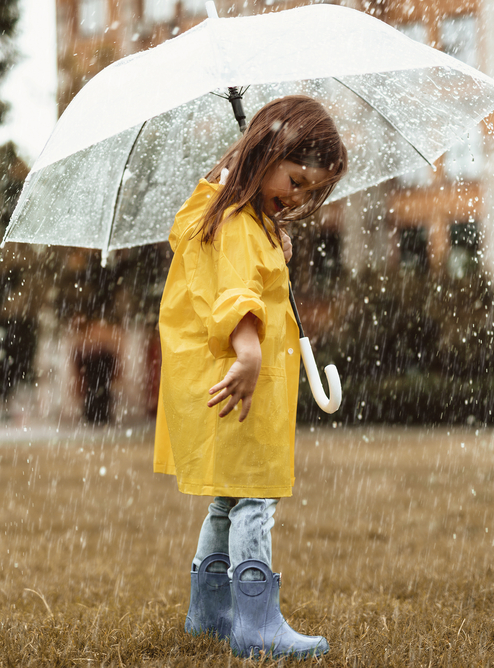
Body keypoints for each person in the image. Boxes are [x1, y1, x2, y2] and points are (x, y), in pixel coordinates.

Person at [153, 95, 348, 659]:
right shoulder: (240, 223)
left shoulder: (233, 214)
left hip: (235, 390)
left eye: (308, 191)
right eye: (295, 178)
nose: (297, 196)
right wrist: (249, 352)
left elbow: (233, 264)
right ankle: (256, 623)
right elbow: (236, 295)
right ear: (270, 150)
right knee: (255, 499)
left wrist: (273, 242)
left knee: (226, 500)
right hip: (248, 388)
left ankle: (209, 612)